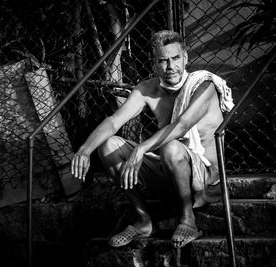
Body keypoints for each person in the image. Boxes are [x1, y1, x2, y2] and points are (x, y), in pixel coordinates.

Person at [71, 30, 234, 248]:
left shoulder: (204, 85)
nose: (171, 67)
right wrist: (84, 149)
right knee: (108, 145)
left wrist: (140, 149)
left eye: (175, 58)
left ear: (185, 57)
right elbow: (113, 122)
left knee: (171, 147)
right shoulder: (148, 89)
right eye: (163, 61)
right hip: (168, 171)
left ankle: (188, 220)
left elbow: (181, 125)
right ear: (154, 63)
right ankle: (143, 220)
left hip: (203, 178)